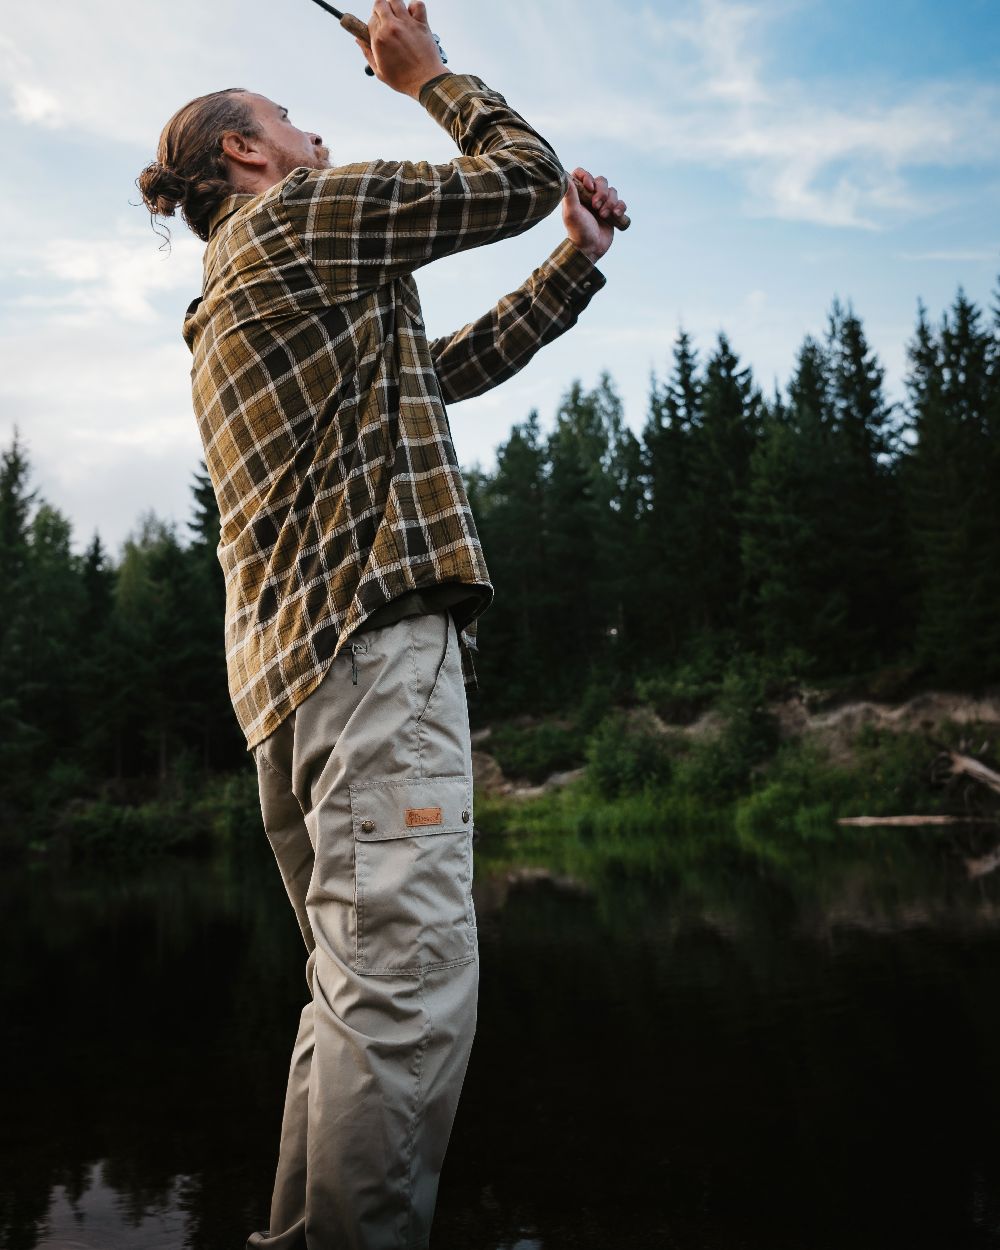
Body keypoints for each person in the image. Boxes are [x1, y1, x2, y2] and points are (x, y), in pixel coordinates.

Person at [137, 2, 626, 1246]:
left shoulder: (235, 294)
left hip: (296, 700)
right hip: (369, 661)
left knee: (353, 1000)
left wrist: (570, 262)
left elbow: (438, 370)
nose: (314, 130)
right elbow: (512, 174)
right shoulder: (300, 219)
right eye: (292, 121)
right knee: (401, 999)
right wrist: (429, 78)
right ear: (247, 154)